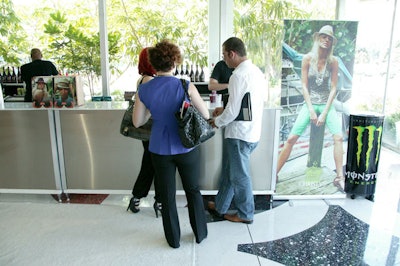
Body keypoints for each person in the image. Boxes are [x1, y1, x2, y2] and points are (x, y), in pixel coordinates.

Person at [132, 40, 208, 248]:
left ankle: (173, 239)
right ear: (174, 61)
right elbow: (205, 113)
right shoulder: (185, 85)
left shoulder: (144, 89)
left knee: (167, 196)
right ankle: (200, 233)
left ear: (153, 64)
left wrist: (152, 109)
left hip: (159, 149)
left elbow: (137, 122)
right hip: (186, 146)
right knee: (193, 190)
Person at [276, 25, 345, 191]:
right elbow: (304, 86)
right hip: (310, 103)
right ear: (317, 38)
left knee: (338, 138)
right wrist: (312, 110)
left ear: (331, 42)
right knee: (292, 138)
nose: (326, 40)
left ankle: (340, 176)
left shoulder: (333, 61)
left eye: (329, 38)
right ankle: (274, 173)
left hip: (327, 103)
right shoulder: (307, 58)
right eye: (323, 36)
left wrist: (325, 112)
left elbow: (334, 88)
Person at [208, 37, 267, 224]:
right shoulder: (256, 72)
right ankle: (220, 206)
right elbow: (245, 104)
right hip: (251, 131)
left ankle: (245, 214)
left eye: (224, 55)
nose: (224, 60)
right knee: (229, 171)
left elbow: (234, 111)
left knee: (239, 176)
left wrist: (217, 121)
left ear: (232, 54)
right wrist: (224, 110)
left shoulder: (238, 76)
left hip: (239, 134)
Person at [126, 47, 161, 217]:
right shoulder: (149, 81)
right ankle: (158, 201)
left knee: (149, 164)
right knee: (157, 165)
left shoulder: (143, 79)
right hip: (152, 129)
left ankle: (137, 197)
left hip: (149, 131)